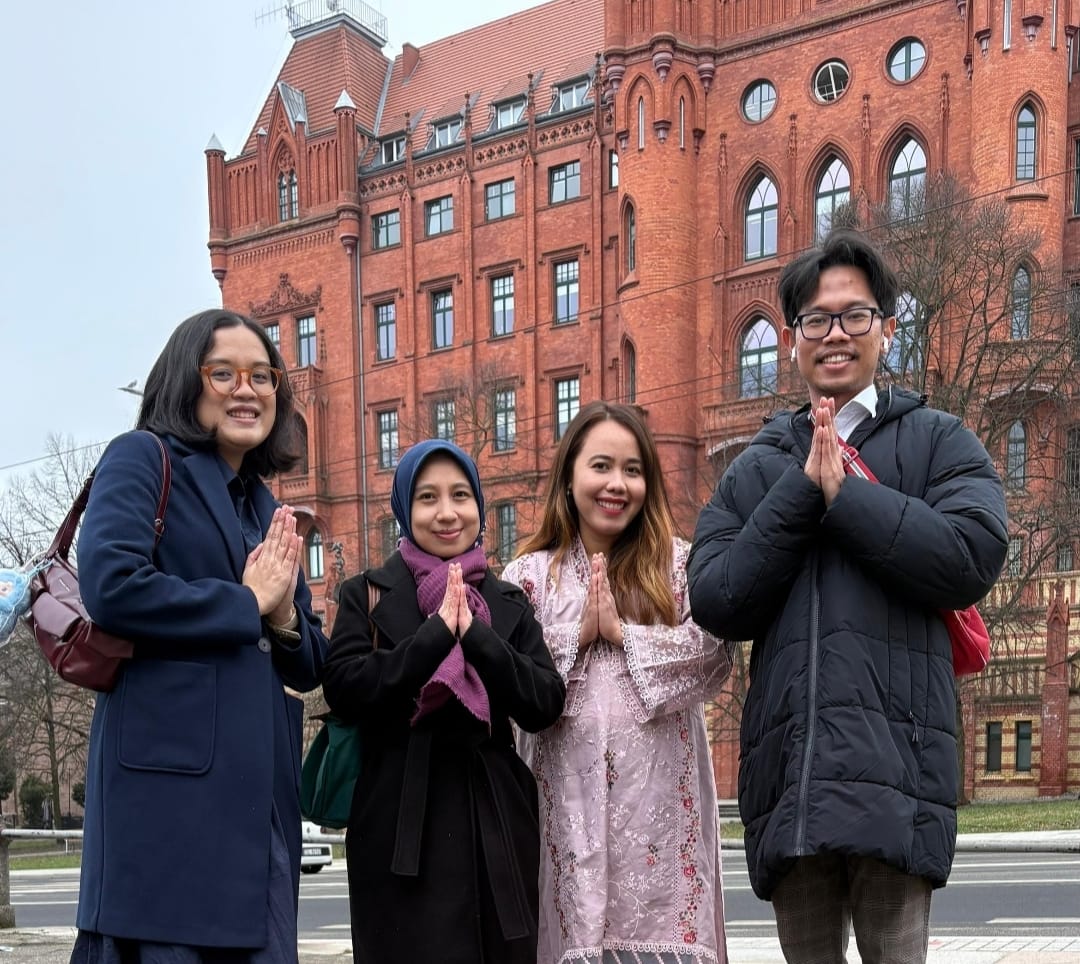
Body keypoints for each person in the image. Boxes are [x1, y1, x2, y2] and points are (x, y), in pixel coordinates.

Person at [688, 229, 1009, 964]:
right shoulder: (756, 466)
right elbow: (716, 597)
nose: (835, 334)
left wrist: (846, 496)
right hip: (791, 778)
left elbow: (969, 556)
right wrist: (804, 489)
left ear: (888, 328)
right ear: (791, 339)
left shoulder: (939, 441)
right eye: (816, 319)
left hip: (897, 776)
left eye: (855, 315)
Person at [72, 308, 329, 963]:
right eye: (224, 373)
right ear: (185, 383)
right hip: (167, 808)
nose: (248, 390)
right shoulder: (142, 460)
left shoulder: (268, 508)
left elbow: (307, 664)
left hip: (259, 806)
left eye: (263, 376)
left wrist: (284, 621)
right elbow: (113, 587)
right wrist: (245, 605)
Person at [502, 401, 733, 964]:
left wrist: (625, 635)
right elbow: (505, 678)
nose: (616, 484)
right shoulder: (527, 578)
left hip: (659, 817)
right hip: (562, 808)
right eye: (601, 465)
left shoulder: (679, 567)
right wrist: (575, 637)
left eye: (632, 470)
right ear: (570, 474)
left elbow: (715, 656)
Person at [321, 439, 566, 964]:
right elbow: (344, 687)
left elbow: (544, 703)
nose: (447, 512)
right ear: (404, 509)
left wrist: (477, 637)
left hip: (495, 818)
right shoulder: (366, 594)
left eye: (461, 495)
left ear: (479, 505)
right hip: (398, 821)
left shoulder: (507, 603)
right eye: (427, 497)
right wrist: (433, 639)